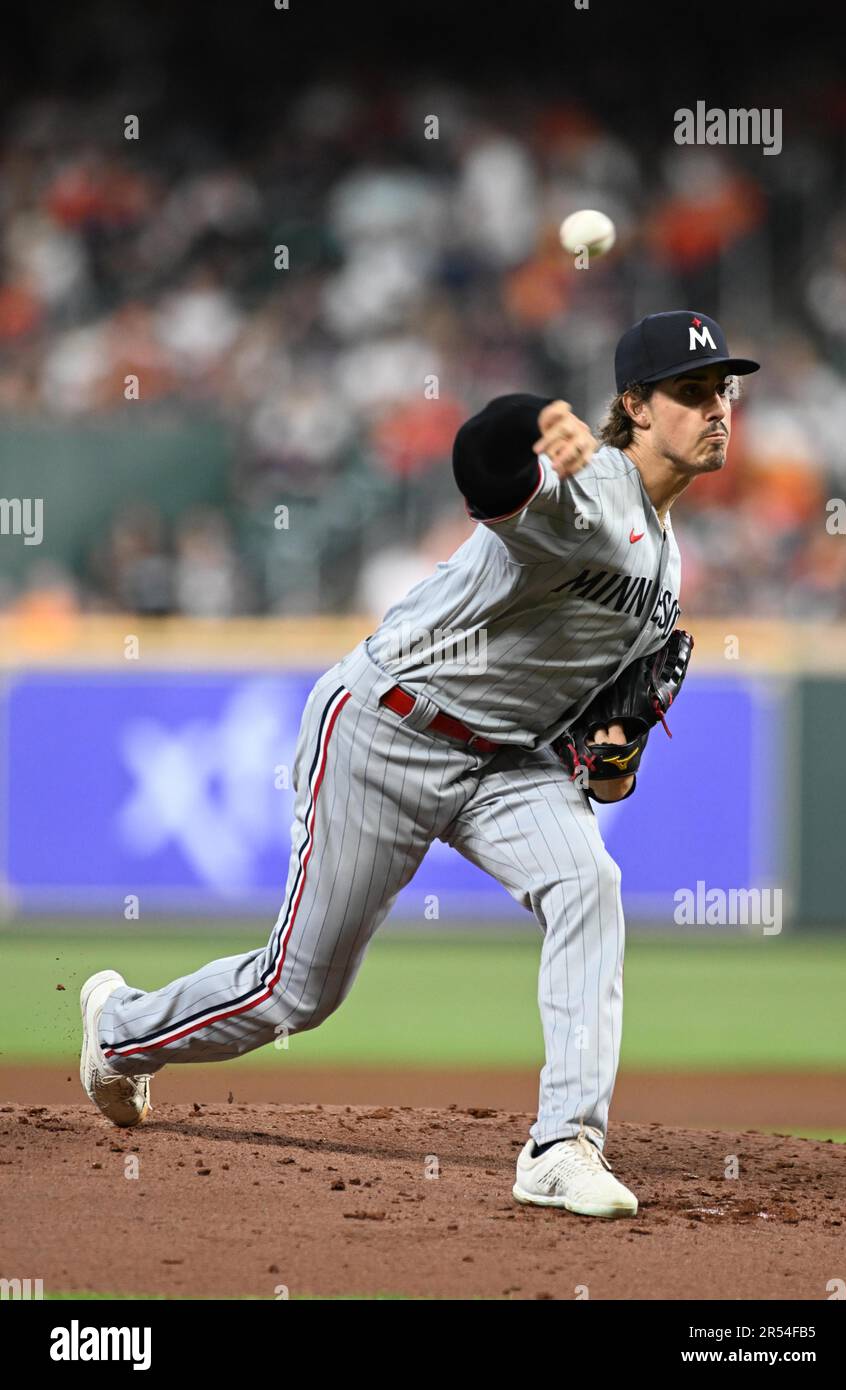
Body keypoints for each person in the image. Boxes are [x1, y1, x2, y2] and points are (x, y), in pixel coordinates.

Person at [80, 310, 759, 1219]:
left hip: (501, 762)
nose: (716, 407)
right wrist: (530, 416)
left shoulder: (667, 566)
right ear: (633, 406)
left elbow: (598, 769)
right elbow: (483, 461)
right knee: (298, 993)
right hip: (389, 727)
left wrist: (614, 755)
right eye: (691, 391)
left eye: (724, 390)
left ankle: (563, 1146)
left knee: (588, 881)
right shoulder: (590, 490)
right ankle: (119, 1031)